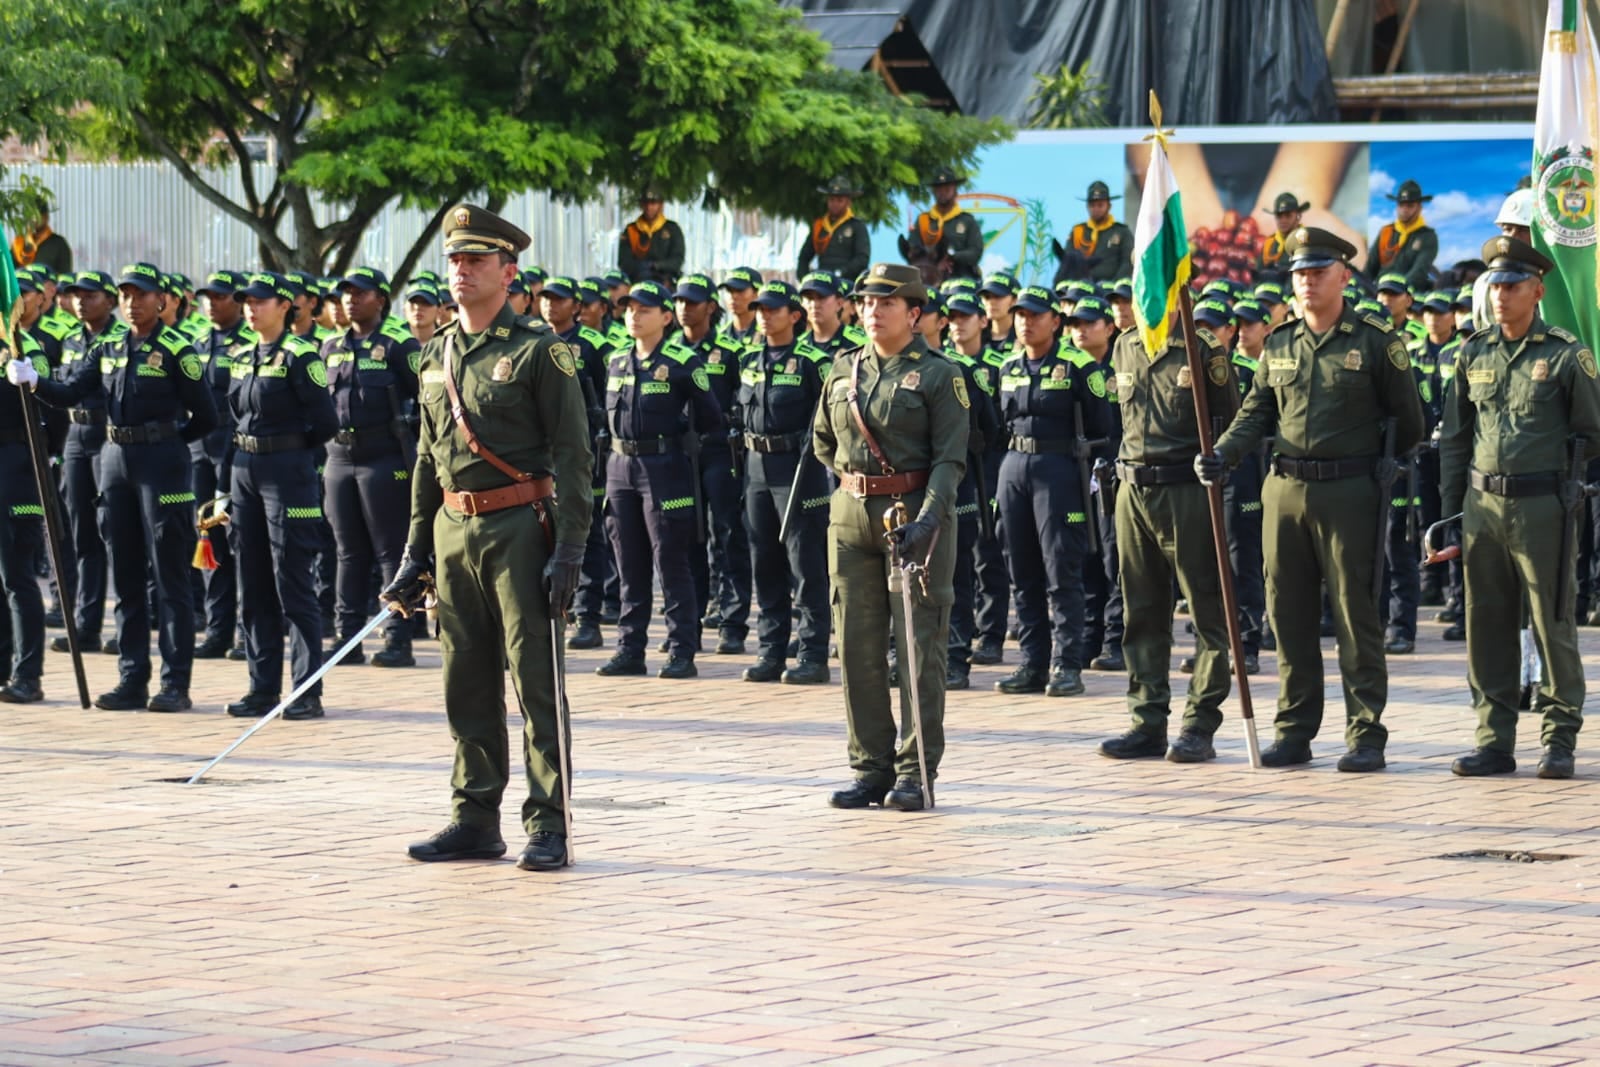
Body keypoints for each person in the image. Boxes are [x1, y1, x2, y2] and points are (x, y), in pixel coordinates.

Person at [386, 203, 592, 872]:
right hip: (453, 530)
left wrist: (570, 549)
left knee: (535, 683)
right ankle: (474, 816)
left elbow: (574, 456)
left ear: (509, 272)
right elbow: (428, 458)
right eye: (454, 259)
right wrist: (416, 550)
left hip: (519, 526)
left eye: (475, 259)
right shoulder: (435, 352)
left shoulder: (538, 350)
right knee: (465, 682)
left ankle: (549, 822)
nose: (461, 270)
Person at [1201, 228, 1424, 771]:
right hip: (1285, 490)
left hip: (1349, 490)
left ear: (1344, 276)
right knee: (1288, 613)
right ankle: (1294, 730)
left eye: (1318, 272)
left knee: (1354, 612)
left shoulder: (1375, 341)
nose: (1307, 281)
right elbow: (1256, 412)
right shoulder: (1279, 342)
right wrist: (1224, 452)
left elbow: (1410, 421)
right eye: (1300, 273)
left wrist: (1385, 463)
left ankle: (1365, 733)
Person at [13, 262, 217, 712]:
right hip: (114, 462)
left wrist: (166, 442)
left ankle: (174, 684)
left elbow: (206, 416)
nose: (131, 302)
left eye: (140, 294)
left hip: (161, 466)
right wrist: (34, 380)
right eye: (126, 295)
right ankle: (132, 678)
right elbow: (70, 393)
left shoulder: (178, 350)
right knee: (124, 576)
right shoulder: (107, 347)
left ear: (161, 301)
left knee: (169, 578)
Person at [1439, 237, 1600, 779]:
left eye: (1512, 285)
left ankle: (1558, 738)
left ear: (1538, 291)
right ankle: (1494, 740)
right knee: (1486, 623)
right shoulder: (1473, 352)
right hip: (1482, 506)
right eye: (1496, 285)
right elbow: (1455, 440)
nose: (1501, 295)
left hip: (1542, 506)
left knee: (1552, 623)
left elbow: (1592, 431)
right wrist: (1451, 514)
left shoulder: (1565, 354)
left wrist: (1564, 482)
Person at [814, 263, 967, 811]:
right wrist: (858, 487)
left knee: (918, 649)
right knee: (856, 647)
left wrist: (928, 519)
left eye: (887, 303)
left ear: (915, 313)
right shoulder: (843, 369)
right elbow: (823, 442)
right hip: (850, 517)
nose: (872, 311)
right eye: (866, 302)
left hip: (913, 517)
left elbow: (950, 460)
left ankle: (915, 771)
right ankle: (870, 767)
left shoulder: (939, 375)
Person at [1098, 309, 1238, 761]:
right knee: (1140, 612)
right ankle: (1146, 721)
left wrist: (1220, 462)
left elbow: (1232, 420)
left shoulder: (1202, 347)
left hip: (1185, 490)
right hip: (1132, 491)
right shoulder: (1124, 345)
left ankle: (1199, 723)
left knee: (1207, 611)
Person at [223, 272, 337, 720]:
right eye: (247, 302)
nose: (251, 308)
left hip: (286, 473)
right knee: (252, 582)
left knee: (292, 580)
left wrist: (288, 452)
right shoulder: (240, 356)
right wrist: (223, 486)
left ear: (285, 306)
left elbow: (325, 423)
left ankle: (306, 689)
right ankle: (261, 687)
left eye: (260, 301)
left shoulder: (300, 357)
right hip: (244, 470)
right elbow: (231, 420)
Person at [594, 280, 723, 679]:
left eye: (645, 310)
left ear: (666, 318)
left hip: (663, 467)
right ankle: (629, 648)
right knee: (628, 562)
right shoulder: (617, 360)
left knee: (670, 560)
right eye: (630, 308)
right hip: (619, 466)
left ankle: (682, 649)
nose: (634, 315)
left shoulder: (683, 362)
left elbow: (710, 420)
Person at [993, 286, 1114, 698]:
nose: (1026, 322)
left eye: (1035, 315)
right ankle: (1032, 663)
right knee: (1021, 569)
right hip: (1014, 467)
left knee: (1062, 569)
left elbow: (1102, 427)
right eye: (1020, 315)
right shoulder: (1007, 366)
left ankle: (1067, 663)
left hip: (1059, 469)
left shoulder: (1079, 366)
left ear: (1055, 321)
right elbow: (998, 426)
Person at [321, 267, 421, 668]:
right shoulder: (330, 346)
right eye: (346, 293)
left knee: (390, 551)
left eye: (360, 293)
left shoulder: (399, 345)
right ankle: (348, 638)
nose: (351, 299)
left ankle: (397, 639)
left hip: (384, 457)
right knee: (347, 552)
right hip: (339, 458)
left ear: (380, 299)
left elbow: (428, 401)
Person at [736, 280, 831, 684]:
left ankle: (812, 654)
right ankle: (770, 651)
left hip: (798, 469)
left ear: (795, 315)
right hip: (756, 468)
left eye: (773, 309)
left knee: (805, 565)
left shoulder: (812, 361)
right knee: (765, 563)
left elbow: (832, 415)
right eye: (760, 309)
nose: (764, 316)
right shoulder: (748, 359)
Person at [672, 271, 751, 654]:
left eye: (692, 302)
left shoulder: (730, 353)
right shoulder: (668, 352)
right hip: (679, 455)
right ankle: (691, 623)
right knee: (685, 539)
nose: (684, 309)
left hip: (720, 453)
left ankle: (732, 623)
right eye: (679, 302)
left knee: (728, 535)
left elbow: (741, 400)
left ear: (710, 308)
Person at [542, 276, 615, 651]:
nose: (550, 305)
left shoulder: (595, 346)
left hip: (584, 451)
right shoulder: (535, 341)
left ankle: (588, 616)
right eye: (545, 299)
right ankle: (553, 611)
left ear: (576, 306)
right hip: (542, 453)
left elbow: (610, 396)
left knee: (588, 532)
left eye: (559, 299)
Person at [937, 292, 1001, 690]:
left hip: (962, 482)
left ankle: (961, 652)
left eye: (965, 316)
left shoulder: (965, 371)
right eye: (953, 317)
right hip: (911, 485)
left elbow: (990, 431)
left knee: (966, 567)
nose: (958, 323)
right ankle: (904, 652)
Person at [189, 271, 253, 659]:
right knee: (209, 538)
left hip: (236, 450)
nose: (211, 303)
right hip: (201, 452)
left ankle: (247, 631)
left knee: (240, 540)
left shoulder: (249, 343)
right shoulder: (197, 343)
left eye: (220, 296)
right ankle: (218, 630)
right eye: (207, 297)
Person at [1068, 296, 1125, 673]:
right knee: (1084, 557)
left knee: (1113, 556)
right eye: (1075, 324)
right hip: (1076, 471)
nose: (1081, 330)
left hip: (1116, 471)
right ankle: (1090, 636)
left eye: (1090, 323)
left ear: (1109, 327)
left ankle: (1116, 639)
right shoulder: (1068, 367)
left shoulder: (1123, 362)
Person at [0, 330, 49, 703]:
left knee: (17, 577)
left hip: (14, 468)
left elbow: (49, 409)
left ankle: (28, 674)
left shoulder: (22, 348)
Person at [903, 171, 983, 281]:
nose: (942, 192)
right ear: (933, 191)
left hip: (961, 279)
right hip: (928, 277)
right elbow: (913, 249)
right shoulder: (923, 220)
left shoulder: (967, 221)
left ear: (955, 190)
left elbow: (976, 252)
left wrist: (952, 257)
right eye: (939, 189)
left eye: (947, 188)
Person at [1367, 180, 1438, 292]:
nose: (1404, 210)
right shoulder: (1386, 232)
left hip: (1410, 294)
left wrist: (1393, 290)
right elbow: (1369, 268)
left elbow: (1419, 272)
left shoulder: (1428, 236)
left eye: (1410, 206)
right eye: (1401, 205)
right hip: (1379, 291)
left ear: (1419, 208)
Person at [798, 177, 871, 281]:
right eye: (831, 200)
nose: (835, 204)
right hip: (822, 280)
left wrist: (841, 272)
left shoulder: (857, 226)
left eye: (840, 200)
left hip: (847, 282)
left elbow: (862, 259)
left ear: (848, 202)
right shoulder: (820, 225)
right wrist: (804, 278)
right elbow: (804, 256)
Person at [1067, 181, 1134, 283]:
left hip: (1111, 289)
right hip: (1080, 287)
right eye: (1092, 205)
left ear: (1109, 206)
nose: (1096, 209)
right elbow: (1068, 262)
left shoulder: (1122, 232)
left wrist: (1114, 285)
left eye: (1100, 205)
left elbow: (1127, 262)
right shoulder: (1078, 231)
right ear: (1087, 207)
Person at [617, 191, 685, 285]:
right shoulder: (631, 230)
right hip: (638, 281)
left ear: (661, 205)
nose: (649, 207)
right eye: (646, 203)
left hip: (665, 281)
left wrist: (657, 266)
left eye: (653, 203)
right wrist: (642, 268)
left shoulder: (672, 229)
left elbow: (677, 259)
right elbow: (624, 262)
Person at [1256, 192, 1307, 281]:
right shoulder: (1270, 243)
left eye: (1288, 215)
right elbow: (1258, 273)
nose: (1283, 220)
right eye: (1279, 216)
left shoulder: (1306, 241)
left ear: (1298, 216)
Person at [10, 207, 72, 275]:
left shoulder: (59, 244)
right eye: (30, 216)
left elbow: (66, 277)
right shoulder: (19, 243)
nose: (34, 219)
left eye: (38, 215)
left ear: (46, 217)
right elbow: (10, 273)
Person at [718, 268, 762, 345]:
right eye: (728, 290)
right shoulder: (720, 336)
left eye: (740, 290)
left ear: (757, 294)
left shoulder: (769, 334)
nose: (733, 296)